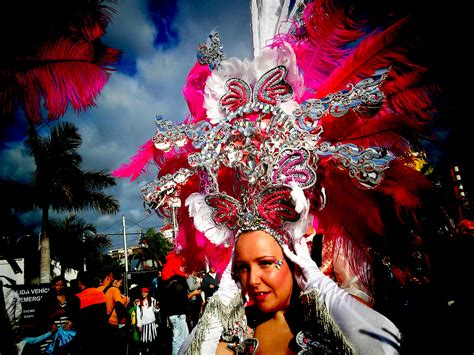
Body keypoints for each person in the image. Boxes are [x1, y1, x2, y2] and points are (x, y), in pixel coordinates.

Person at [114, 1, 446, 353]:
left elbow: (384, 346)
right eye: (240, 268)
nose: (251, 280)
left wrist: (319, 284)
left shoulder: (328, 334)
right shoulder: (233, 341)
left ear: (294, 263)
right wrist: (224, 297)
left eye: (266, 263)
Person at [35, 275, 80, 354]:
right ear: (53, 286)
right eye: (57, 285)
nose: (59, 287)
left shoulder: (72, 298)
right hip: (52, 333)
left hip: (68, 334)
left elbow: (78, 314)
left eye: (61, 285)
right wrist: (50, 325)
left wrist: (72, 322)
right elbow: (40, 316)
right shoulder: (46, 299)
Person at [160, 252, 190, 355]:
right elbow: (184, 298)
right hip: (178, 314)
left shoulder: (168, 284)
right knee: (178, 341)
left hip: (177, 314)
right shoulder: (177, 284)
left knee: (184, 338)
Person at [97, 270, 130, 355]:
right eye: (112, 276)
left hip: (99, 326)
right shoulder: (114, 290)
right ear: (109, 277)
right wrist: (126, 300)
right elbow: (120, 307)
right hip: (112, 325)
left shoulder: (96, 290)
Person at [75, 270, 108, 354]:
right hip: (101, 335)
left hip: (86, 337)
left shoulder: (78, 297)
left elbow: (75, 318)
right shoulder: (101, 294)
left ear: (79, 282)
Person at [136, 287, 159, 354]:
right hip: (144, 324)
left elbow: (156, 310)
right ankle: (145, 352)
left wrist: (158, 307)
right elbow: (138, 315)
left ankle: (152, 352)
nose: (143, 293)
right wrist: (139, 325)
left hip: (152, 324)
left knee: (153, 340)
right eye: (142, 292)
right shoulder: (139, 303)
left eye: (145, 292)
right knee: (144, 341)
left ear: (148, 293)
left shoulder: (153, 300)